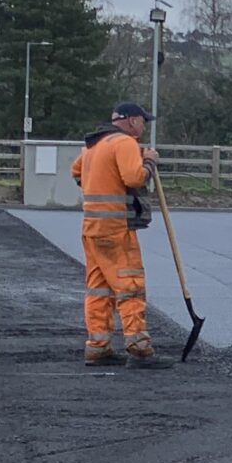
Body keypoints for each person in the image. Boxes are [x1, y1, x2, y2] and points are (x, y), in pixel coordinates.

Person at [69, 101, 161, 367]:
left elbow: (76, 171)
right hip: (116, 228)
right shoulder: (124, 143)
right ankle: (139, 348)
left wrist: (100, 183)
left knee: (99, 288)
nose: (143, 127)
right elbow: (134, 178)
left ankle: (98, 347)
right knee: (130, 285)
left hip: (92, 227)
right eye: (143, 121)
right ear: (132, 120)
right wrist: (149, 162)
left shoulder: (95, 144)